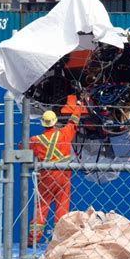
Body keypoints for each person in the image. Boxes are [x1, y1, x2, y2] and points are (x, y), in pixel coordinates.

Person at [27, 101, 82, 246]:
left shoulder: (35, 140)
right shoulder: (64, 134)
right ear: (55, 122)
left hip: (45, 177)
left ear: (43, 124)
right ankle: (60, 240)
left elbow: (22, 146)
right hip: (63, 175)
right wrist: (79, 106)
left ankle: (33, 240)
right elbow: (73, 123)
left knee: (41, 207)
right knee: (62, 207)